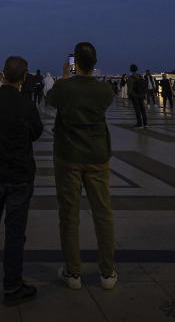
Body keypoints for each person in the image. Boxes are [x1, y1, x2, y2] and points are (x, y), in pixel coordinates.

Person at [46, 42, 119, 292]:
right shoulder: (105, 90)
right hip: (98, 155)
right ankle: (107, 273)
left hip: (68, 155)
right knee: (103, 213)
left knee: (68, 214)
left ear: (74, 62)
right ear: (95, 62)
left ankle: (73, 271)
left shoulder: (64, 87)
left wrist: (65, 76)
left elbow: (50, 100)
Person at [0, 56, 43, 306]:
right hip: (19, 175)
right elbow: (36, 132)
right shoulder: (26, 104)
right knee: (15, 232)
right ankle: (12, 285)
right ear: (24, 78)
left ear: (2, 74)